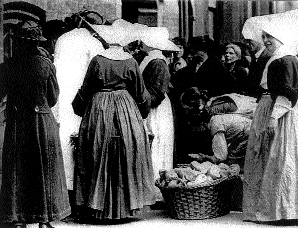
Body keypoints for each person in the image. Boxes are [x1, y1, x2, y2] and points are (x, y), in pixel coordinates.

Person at [72, 24, 156, 220]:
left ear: (105, 40)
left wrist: (78, 107)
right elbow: (140, 93)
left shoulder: (97, 61)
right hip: (126, 109)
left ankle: (97, 206)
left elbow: (86, 89)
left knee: (97, 151)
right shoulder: (131, 61)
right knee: (126, 152)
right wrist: (141, 113)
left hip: (99, 108)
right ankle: (125, 208)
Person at [0, 20, 71, 228]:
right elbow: (53, 97)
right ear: (36, 43)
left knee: (18, 171)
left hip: (18, 124)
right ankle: (45, 219)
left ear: (17, 42)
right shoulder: (46, 64)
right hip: (42, 122)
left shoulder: (7, 66)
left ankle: (18, 217)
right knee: (44, 171)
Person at [242, 9, 298, 222]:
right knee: (266, 158)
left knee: (280, 159)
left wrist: (274, 117)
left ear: (281, 36)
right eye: (263, 36)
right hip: (268, 107)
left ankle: (283, 210)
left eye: (269, 37)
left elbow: (288, 93)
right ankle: (270, 208)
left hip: (278, 112)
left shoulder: (285, 59)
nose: (265, 40)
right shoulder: (276, 58)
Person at [52, 10, 105, 190]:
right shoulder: (94, 43)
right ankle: (81, 188)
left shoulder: (62, 39)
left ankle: (63, 185)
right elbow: (98, 75)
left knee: (63, 138)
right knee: (83, 140)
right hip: (83, 97)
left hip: (63, 93)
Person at [138, 27, 179, 201]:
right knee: (152, 147)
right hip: (151, 105)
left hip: (156, 108)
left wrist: (143, 105)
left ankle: (157, 192)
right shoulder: (151, 59)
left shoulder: (157, 62)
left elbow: (157, 92)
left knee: (158, 146)